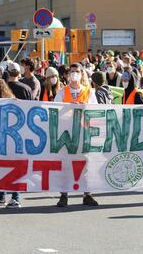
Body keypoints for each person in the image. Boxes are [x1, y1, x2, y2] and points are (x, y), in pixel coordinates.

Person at [54, 63, 99, 207]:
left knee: (86, 163)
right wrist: (68, 107)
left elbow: (95, 110)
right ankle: (63, 195)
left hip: (84, 131)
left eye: (77, 71)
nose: (74, 74)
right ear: (68, 75)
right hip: (66, 133)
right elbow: (55, 109)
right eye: (72, 72)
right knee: (65, 164)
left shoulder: (88, 92)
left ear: (81, 74)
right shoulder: (62, 92)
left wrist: (83, 107)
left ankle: (87, 194)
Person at [0, 80, 23, 208]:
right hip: (0, 141)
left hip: (11, 142)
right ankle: (2, 196)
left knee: (12, 169)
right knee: (0, 169)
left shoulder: (12, 103)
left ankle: (15, 197)